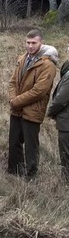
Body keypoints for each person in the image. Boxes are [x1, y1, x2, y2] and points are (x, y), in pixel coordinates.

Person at [7, 29, 57, 178]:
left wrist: (16, 101)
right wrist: (12, 99)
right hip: (17, 109)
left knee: (31, 145)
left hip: (33, 111)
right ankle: (14, 171)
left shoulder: (48, 65)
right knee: (14, 141)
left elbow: (39, 91)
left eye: (34, 43)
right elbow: (12, 82)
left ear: (41, 43)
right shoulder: (22, 58)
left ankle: (30, 175)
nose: (30, 46)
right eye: (28, 42)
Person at [47, 48, 69, 180]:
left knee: (66, 154)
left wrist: (49, 112)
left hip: (67, 122)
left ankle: (66, 184)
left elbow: (61, 100)